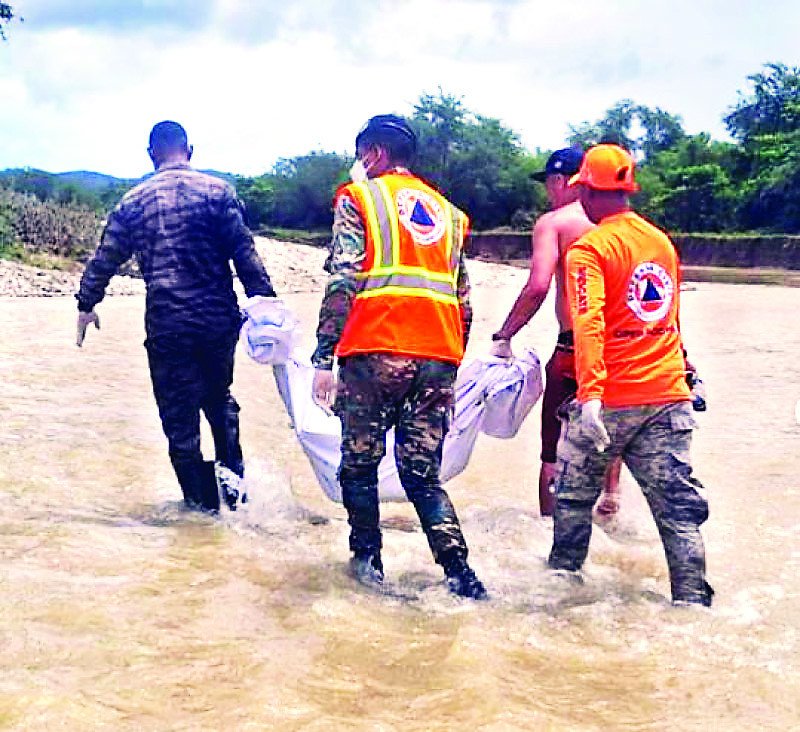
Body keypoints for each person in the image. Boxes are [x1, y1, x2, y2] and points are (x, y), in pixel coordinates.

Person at [311, 114, 487, 600]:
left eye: (362, 155)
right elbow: (464, 300)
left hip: (375, 350)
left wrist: (323, 357)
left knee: (359, 466)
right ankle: (461, 576)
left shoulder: (359, 198)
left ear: (375, 154)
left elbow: (343, 277)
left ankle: (367, 569)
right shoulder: (450, 213)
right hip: (437, 356)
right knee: (421, 473)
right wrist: (447, 361)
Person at [75, 121, 277, 513]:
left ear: (151, 154)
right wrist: (267, 305)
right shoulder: (219, 192)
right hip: (217, 321)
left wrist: (86, 304)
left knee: (180, 422)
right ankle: (236, 502)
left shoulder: (132, 203)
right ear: (190, 150)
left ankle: (202, 513)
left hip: (167, 325)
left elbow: (105, 258)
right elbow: (245, 254)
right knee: (219, 401)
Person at [547, 143, 713, 607]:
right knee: (678, 511)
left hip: (612, 399)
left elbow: (589, 321)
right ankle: (692, 603)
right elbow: (669, 316)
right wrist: (687, 372)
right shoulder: (660, 242)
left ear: (587, 191)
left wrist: (592, 395)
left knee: (574, 500)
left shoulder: (590, 248)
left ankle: (563, 599)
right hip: (668, 396)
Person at [490, 148, 622, 518]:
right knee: (608, 434)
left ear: (561, 181)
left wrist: (505, 334)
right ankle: (611, 498)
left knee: (553, 448)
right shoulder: (623, 226)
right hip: (622, 350)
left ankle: (548, 528)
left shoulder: (555, 223)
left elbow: (538, 286)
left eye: (548, 183)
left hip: (574, 348)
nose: (547, 192)